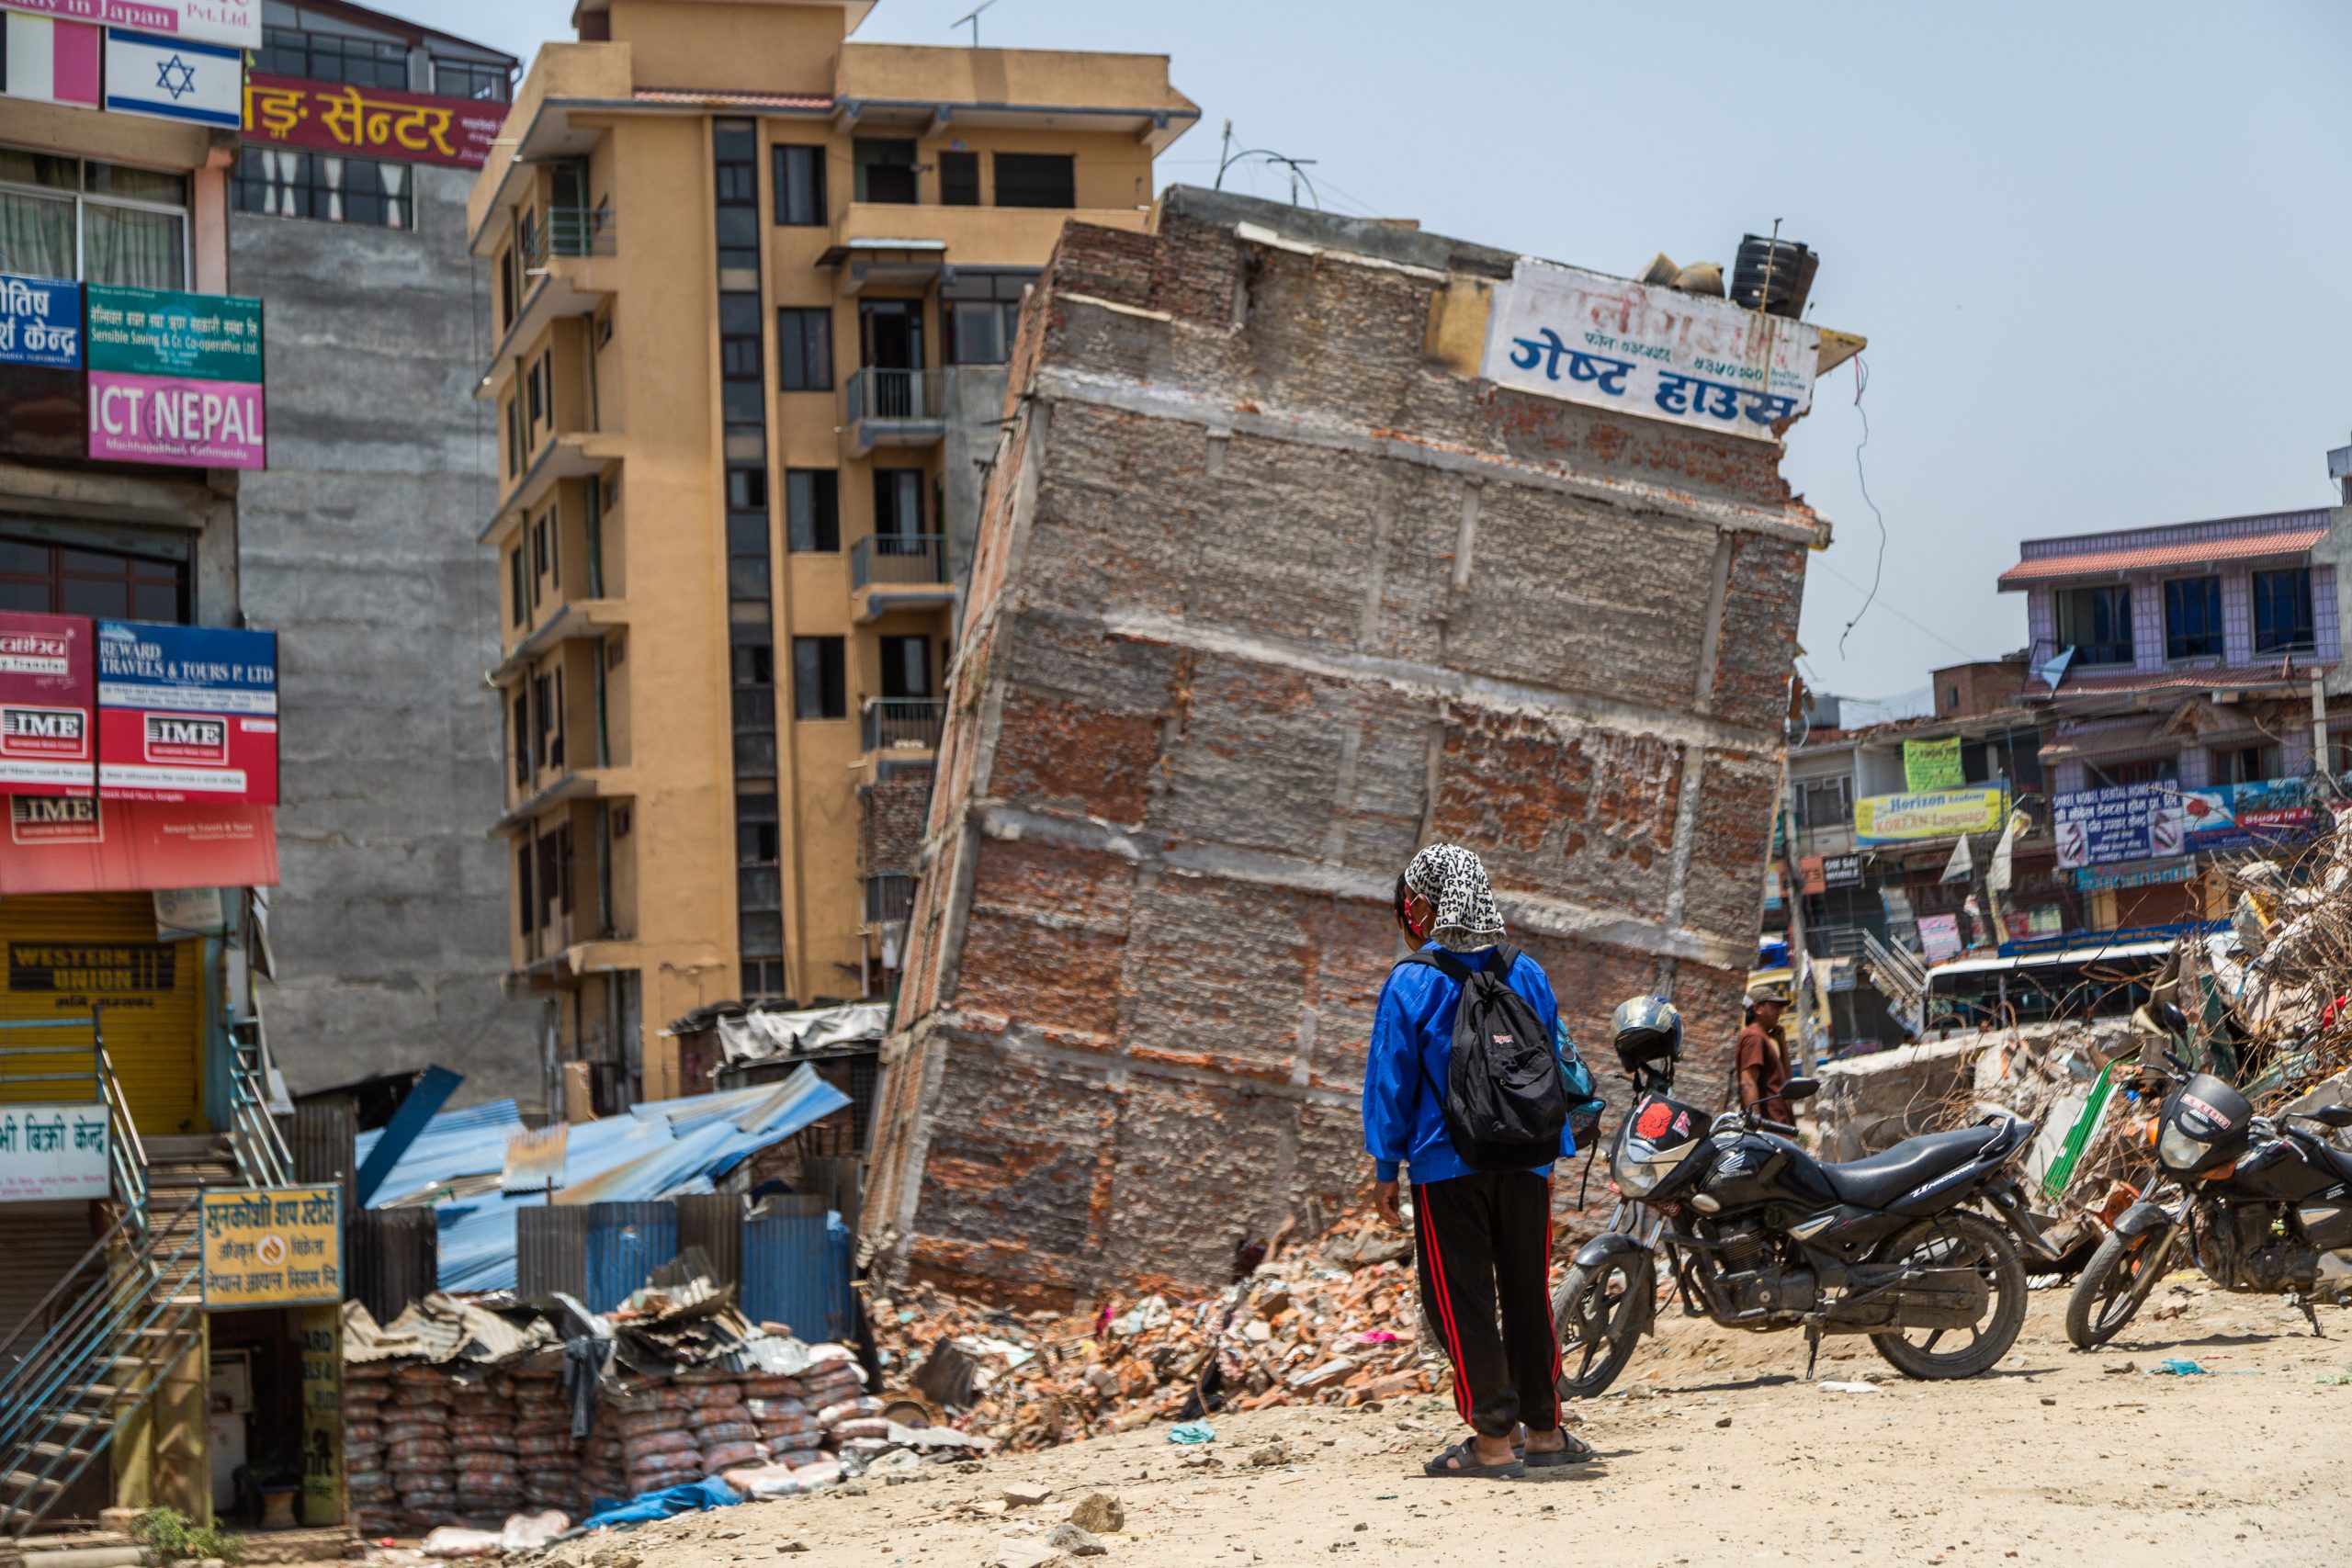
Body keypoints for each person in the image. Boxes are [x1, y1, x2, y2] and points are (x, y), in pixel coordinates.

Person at [1363, 843, 1588, 1479]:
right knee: (1526, 1292)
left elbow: (1391, 1079)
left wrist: (1385, 1165)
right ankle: (1545, 1430)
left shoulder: (1412, 981)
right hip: (1529, 1161)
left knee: (1462, 1300)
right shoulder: (1529, 972)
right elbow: (1559, 1061)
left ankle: (1492, 1439)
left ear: (1426, 906)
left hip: (1446, 1164)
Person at [1735, 987, 1793, 1123]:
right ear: (1758, 1009)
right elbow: (1748, 1083)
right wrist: (1756, 1124)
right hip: (1769, 1131)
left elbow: (1787, 1082)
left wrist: (1782, 1044)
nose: (1779, 1011)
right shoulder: (1754, 1037)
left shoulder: (1761, 1037)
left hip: (1779, 1128)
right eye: (1774, 1006)